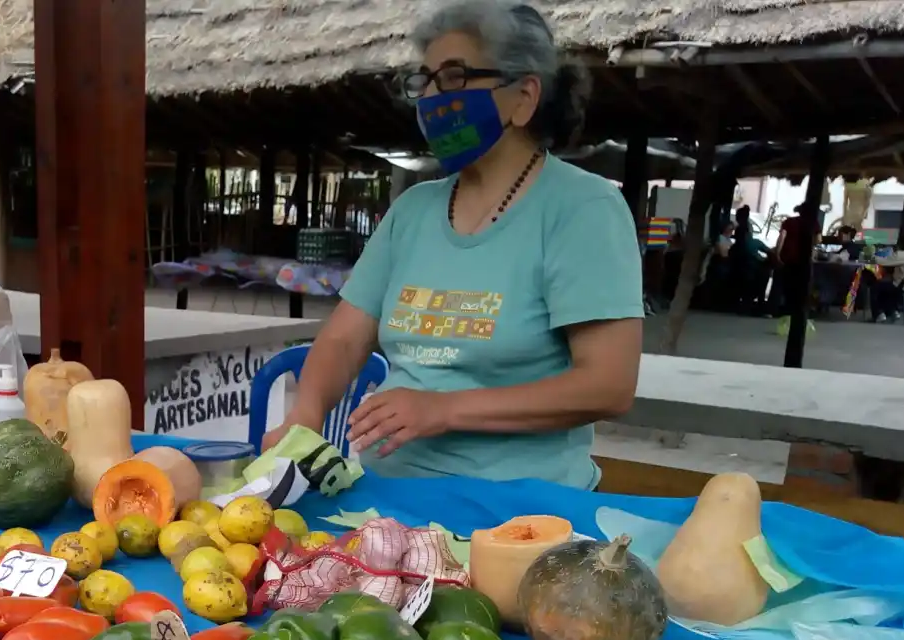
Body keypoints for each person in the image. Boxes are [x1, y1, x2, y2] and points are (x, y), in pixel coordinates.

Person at [261, 0, 642, 489]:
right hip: (388, 489)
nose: (432, 99)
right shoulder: (413, 211)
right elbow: (346, 335)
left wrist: (444, 410)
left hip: (520, 506)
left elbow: (607, 385)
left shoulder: (582, 210)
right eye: (425, 81)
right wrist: (307, 411)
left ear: (523, 97)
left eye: (456, 77)